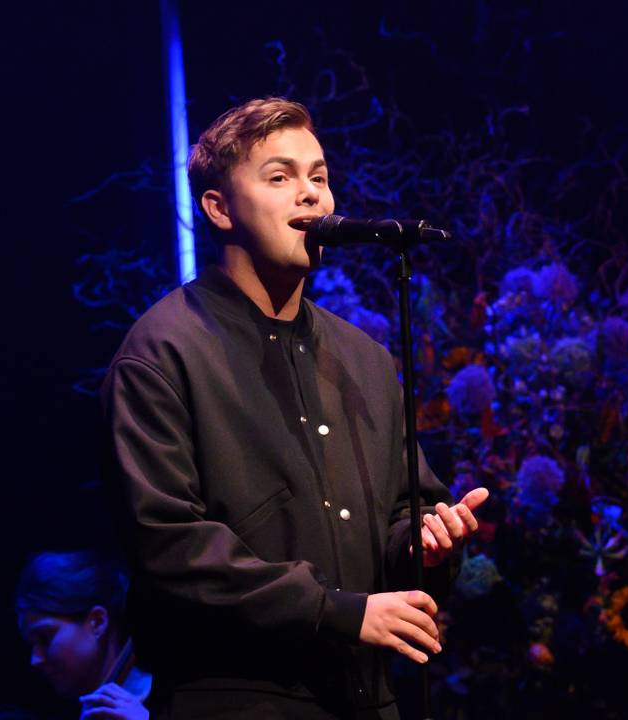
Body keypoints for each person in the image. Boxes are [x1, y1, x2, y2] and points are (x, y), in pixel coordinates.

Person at [100, 97, 489, 718]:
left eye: (319, 176)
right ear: (219, 208)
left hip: (364, 697)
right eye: (280, 177)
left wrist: (425, 542)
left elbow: (400, 510)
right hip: (237, 699)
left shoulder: (362, 359)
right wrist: (336, 611)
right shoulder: (163, 352)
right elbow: (168, 545)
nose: (311, 193)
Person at [15, 551, 151, 720]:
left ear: (97, 622)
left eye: (44, 638)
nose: (35, 660)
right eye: (31, 646)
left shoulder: (168, 695)